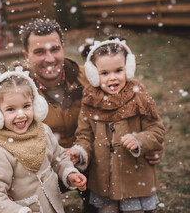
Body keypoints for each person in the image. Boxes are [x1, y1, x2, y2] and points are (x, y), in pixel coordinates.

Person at [19, 18, 164, 212]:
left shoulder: (95, 77)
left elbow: (145, 120)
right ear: (26, 55)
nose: (49, 58)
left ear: (63, 47)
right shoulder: (17, 92)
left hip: (98, 163)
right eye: (39, 52)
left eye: (54, 49)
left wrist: (150, 143)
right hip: (49, 167)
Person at [68, 37, 165, 213]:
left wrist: (140, 140)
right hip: (103, 180)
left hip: (135, 179)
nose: (112, 78)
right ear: (93, 75)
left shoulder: (140, 98)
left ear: (128, 69)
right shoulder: (90, 102)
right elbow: (85, 136)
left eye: (118, 70)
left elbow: (157, 130)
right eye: (104, 73)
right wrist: (80, 152)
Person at [0, 61, 87, 213]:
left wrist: (69, 173)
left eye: (26, 106)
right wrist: (17, 210)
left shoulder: (43, 131)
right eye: (11, 109)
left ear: (36, 105)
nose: (21, 114)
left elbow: (59, 157)